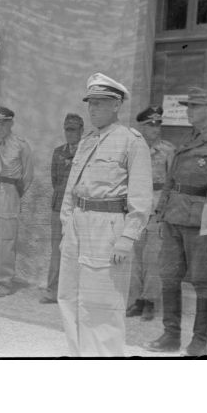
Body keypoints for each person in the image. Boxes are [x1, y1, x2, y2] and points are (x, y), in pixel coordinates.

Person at [58, 72, 152, 357]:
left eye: (100, 102)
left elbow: (141, 197)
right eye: (91, 102)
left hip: (108, 226)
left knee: (104, 301)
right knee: (70, 296)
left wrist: (127, 238)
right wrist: (66, 225)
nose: (93, 108)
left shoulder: (131, 141)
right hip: (78, 224)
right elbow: (71, 188)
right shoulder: (87, 141)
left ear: (116, 105)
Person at [147, 87, 207, 356]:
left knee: (202, 281)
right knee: (168, 276)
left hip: (201, 222)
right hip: (173, 218)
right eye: (188, 107)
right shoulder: (187, 139)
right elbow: (171, 181)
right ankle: (171, 335)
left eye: (195, 107)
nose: (189, 111)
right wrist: (161, 212)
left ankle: (199, 341)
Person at [125, 106, 175, 321]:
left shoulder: (167, 150)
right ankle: (137, 300)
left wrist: (165, 211)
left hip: (156, 210)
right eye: (151, 125)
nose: (156, 129)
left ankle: (151, 302)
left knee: (152, 259)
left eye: (158, 124)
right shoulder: (133, 149)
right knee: (135, 258)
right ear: (142, 127)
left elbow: (172, 183)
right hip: (135, 210)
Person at [0, 106, 34, 297]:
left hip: (9, 191)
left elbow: (27, 175)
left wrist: (15, 194)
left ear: (11, 123)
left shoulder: (20, 145)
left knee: (6, 238)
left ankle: (4, 280)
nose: (0, 126)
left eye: (4, 122)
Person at [40, 113, 84, 304]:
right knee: (57, 251)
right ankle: (52, 290)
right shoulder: (58, 152)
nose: (70, 134)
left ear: (81, 131)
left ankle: (74, 293)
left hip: (79, 210)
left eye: (74, 130)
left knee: (78, 252)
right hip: (58, 208)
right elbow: (55, 179)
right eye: (67, 130)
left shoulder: (86, 152)